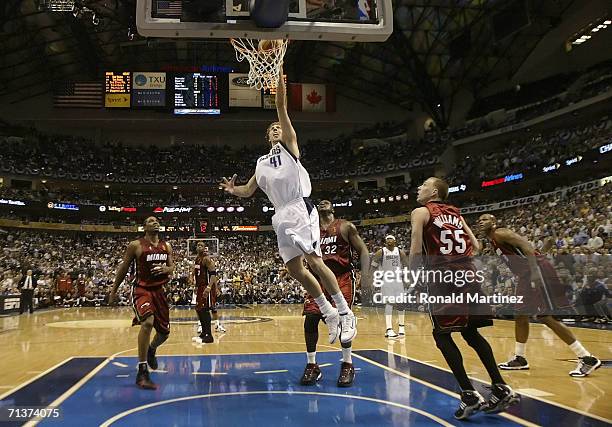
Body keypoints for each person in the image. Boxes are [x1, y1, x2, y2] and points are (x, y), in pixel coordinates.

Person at [220, 68, 356, 345]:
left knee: (315, 262)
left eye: (279, 127)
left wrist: (278, 80)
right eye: (272, 129)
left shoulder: (290, 147)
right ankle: (328, 313)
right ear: (267, 136)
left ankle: (345, 311)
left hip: (298, 207)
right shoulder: (261, 163)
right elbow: (249, 190)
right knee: (296, 270)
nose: (276, 129)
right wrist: (235, 191)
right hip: (279, 214)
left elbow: (281, 106)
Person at [410, 177, 517, 420]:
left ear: (434, 191)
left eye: (423, 185)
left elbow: (416, 250)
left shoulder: (420, 212)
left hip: (444, 278)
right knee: (470, 333)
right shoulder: (456, 214)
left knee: (441, 334)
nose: (419, 187)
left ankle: (468, 394)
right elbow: (476, 245)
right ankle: (499, 387)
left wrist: (414, 278)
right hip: (469, 275)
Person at [478, 214, 602, 377]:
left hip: (535, 272)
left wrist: (535, 271)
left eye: (485, 219)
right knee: (520, 314)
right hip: (526, 274)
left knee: (545, 317)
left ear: (493, 222)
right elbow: (533, 252)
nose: (480, 222)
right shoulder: (492, 240)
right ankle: (520, 358)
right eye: (479, 220)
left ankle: (586, 357)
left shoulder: (501, 233)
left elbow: (528, 247)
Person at [301, 200, 370, 387]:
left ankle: (347, 364)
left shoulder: (345, 226)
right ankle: (312, 365)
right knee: (310, 319)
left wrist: (365, 274)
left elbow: (363, 250)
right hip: (318, 280)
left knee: (344, 320)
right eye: (320, 202)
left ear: (333, 209)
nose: (322, 203)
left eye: (327, 202)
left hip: (342, 277)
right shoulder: (310, 229)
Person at [109, 216, 174, 390]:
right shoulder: (136, 245)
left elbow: (171, 268)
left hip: (159, 291)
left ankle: (152, 349)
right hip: (142, 290)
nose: (156, 222)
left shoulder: (166, 246)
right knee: (147, 323)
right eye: (151, 221)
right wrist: (114, 291)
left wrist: (166, 269)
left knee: (164, 334)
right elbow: (123, 268)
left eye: (157, 220)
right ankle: (142, 371)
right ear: (144, 226)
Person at [370, 235, 408, 338]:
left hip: (398, 280)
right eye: (387, 240)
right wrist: (373, 281)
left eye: (391, 239)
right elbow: (373, 267)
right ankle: (389, 329)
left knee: (401, 303)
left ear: (395, 241)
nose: (389, 241)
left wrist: (406, 279)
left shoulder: (400, 252)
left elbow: (406, 266)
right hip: (386, 280)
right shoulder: (380, 252)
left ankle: (401, 327)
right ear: (385, 242)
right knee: (389, 303)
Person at [192, 242, 218, 344]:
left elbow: (213, 274)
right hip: (199, 287)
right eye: (198, 245)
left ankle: (209, 336)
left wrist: (209, 287)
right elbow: (197, 275)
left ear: (204, 248)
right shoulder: (197, 259)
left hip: (206, 286)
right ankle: (203, 333)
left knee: (204, 309)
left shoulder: (207, 259)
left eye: (201, 245)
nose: (199, 247)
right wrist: (196, 286)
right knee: (199, 309)